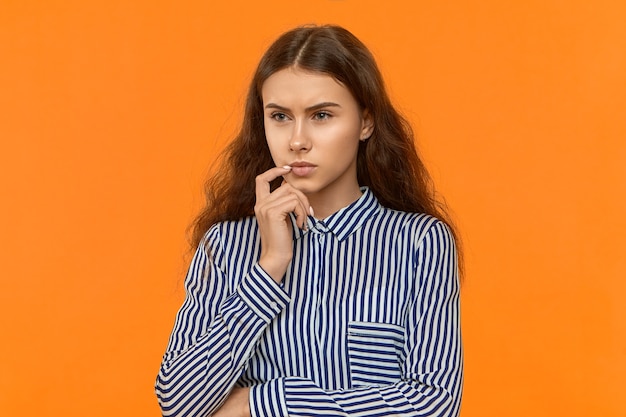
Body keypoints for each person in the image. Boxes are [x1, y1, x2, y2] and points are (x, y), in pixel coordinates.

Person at [155, 24, 463, 417]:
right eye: (280, 116)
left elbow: (433, 404)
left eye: (321, 115)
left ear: (365, 122)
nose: (298, 140)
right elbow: (178, 404)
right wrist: (270, 267)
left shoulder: (420, 243)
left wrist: (262, 402)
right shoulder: (226, 246)